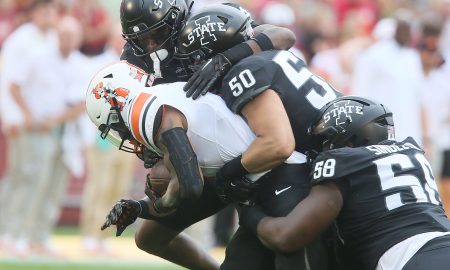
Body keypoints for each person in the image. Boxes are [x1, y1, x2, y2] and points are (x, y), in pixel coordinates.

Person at [85, 61, 324, 270]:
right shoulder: (162, 95)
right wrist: (140, 208)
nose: (122, 135)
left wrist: (152, 205)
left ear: (116, 106)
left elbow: (190, 185)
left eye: (114, 126)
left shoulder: (143, 111)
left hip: (277, 174)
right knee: (148, 236)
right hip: (242, 178)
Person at [239, 96, 450, 270]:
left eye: (324, 144)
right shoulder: (413, 152)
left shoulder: (343, 160)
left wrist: (249, 214)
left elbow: (286, 236)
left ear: (345, 140)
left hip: (411, 260)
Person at [120, 0, 296, 92]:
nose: (151, 45)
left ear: (176, 17)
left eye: (156, 34)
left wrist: (226, 58)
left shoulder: (206, 22)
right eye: (140, 39)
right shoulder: (132, 57)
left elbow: (284, 36)